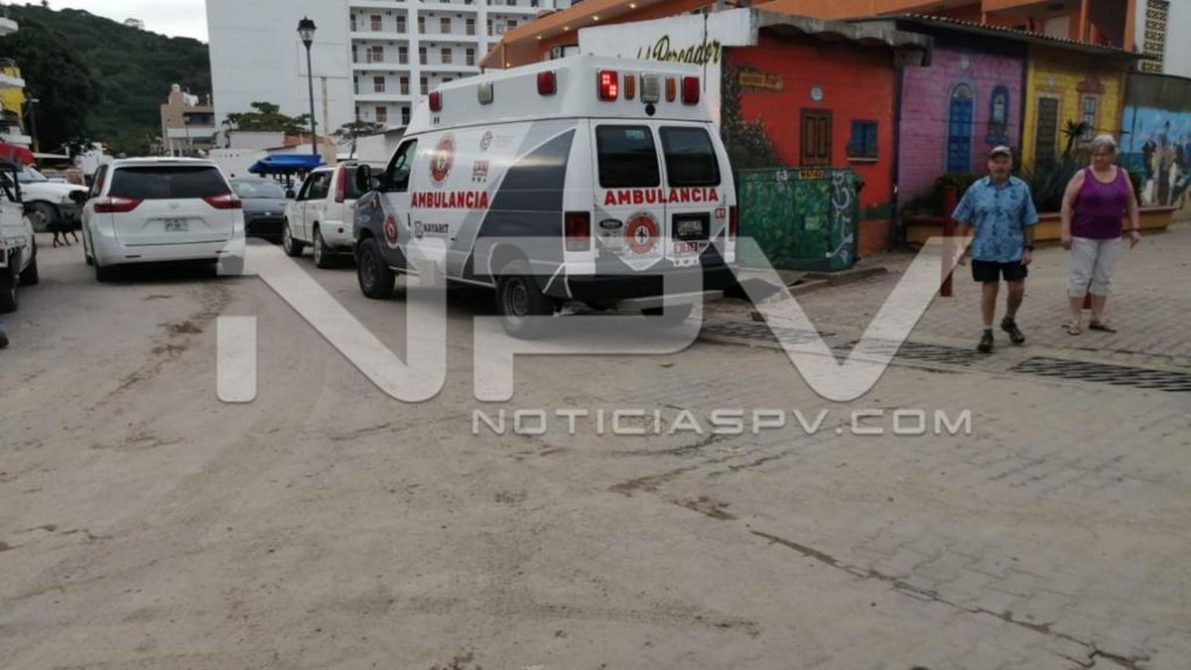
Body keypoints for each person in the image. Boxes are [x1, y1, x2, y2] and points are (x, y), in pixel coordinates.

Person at [954, 145, 1039, 353]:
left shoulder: (1021, 188)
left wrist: (1028, 247)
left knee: (1017, 288)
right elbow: (963, 218)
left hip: (1013, 248)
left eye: (1004, 161)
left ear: (1010, 164)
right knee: (989, 288)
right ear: (989, 164)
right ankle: (987, 331)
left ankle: (1009, 320)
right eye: (996, 161)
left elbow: (1029, 220)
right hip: (985, 249)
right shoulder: (976, 189)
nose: (1000, 166)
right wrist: (959, 247)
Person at [1059, 134, 1141, 335]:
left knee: (1103, 277)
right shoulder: (1083, 175)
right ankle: (1075, 319)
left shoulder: (1122, 174)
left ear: (1113, 155)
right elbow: (1067, 203)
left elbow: (1131, 202)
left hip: (1111, 236)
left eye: (1102, 154)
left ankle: (1097, 318)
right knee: (1080, 277)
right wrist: (1065, 231)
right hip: (1083, 235)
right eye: (1095, 154)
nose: (1097, 158)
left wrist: (1134, 228)